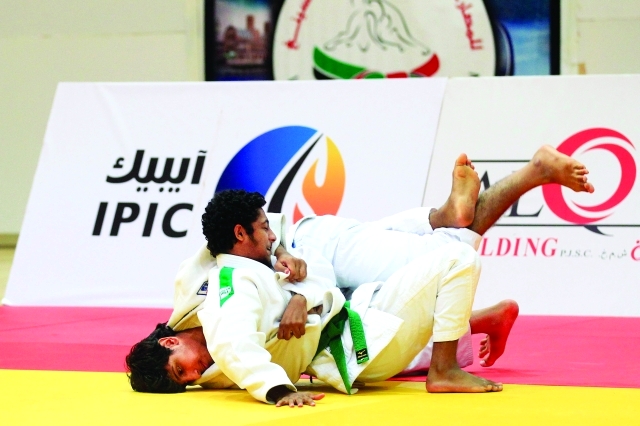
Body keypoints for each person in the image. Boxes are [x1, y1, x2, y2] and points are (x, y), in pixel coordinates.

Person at [126, 145, 594, 405]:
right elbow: (272, 301)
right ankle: (457, 231)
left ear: (170, 340)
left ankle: (505, 187)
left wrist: (284, 254)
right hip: (337, 302)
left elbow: (239, 259)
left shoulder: (200, 283)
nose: (194, 374)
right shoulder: (216, 351)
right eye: (185, 381)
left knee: (447, 254)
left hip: (317, 247)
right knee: (431, 270)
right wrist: (299, 298)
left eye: (180, 369)